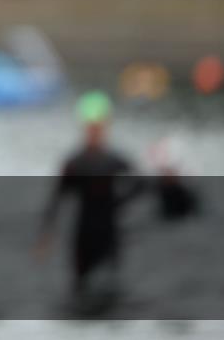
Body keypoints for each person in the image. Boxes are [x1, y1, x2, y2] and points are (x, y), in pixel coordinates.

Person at [34, 91, 142, 302]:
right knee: (80, 289)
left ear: (105, 127)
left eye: (98, 127)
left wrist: (120, 202)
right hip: (83, 234)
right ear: (84, 128)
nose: (94, 132)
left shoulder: (114, 161)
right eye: (91, 127)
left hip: (109, 232)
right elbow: (56, 199)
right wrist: (45, 236)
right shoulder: (75, 163)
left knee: (111, 286)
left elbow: (141, 183)